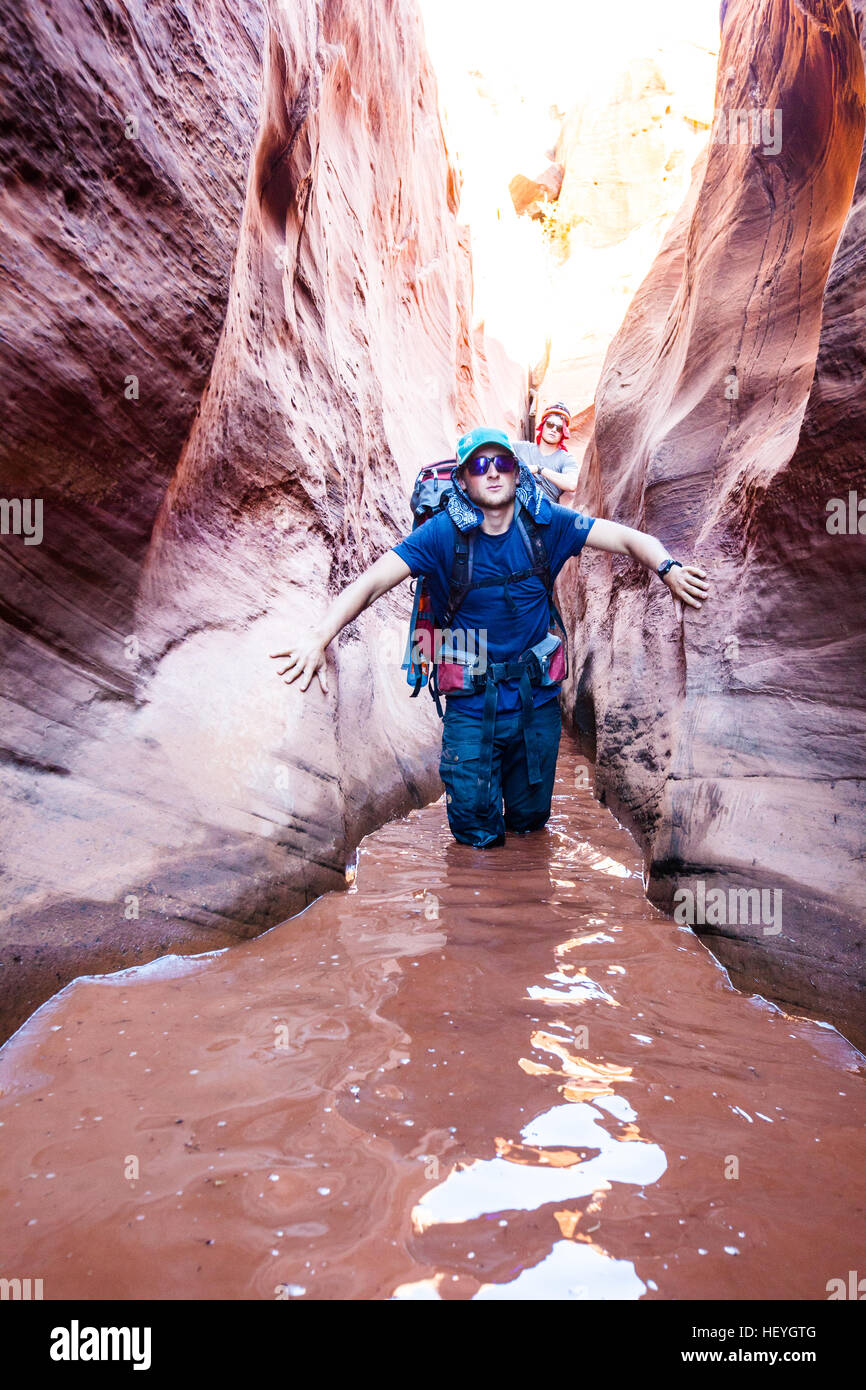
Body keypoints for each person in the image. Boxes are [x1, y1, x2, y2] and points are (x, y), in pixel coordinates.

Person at [270, 426, 710, 849]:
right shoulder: (440, 534)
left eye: (501, 462)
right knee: (473, 836)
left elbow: (627, 539)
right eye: (480, 466)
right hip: (470, 708)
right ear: (463, 479)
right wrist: (319, 636)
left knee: (530, 828)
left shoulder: (546, 525)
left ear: (517, 472)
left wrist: (669, 569)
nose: (493, 471)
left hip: (535, 702)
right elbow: (369, 585)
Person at [511, 401, 579, 503]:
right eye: (550, 424)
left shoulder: (566, 458)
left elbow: (571, 484)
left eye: (559, 428)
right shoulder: (522, 448)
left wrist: (539, 469)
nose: (554, 430)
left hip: (545, 509)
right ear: (543, 425)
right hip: (516, 502)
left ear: (563, 433)